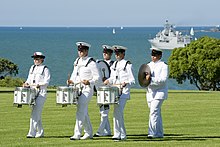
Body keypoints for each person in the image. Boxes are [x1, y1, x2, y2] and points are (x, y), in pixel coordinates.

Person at [67, 41, 101, 140]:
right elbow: (74, 74)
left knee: (80, 110)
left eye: (82, 50)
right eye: (79, 50)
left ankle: (77, 134)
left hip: (87, 89)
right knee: (83, 111)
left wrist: (89, 82)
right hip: (77, 88)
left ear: (86, 51)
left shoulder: (91, 62)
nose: (80, 52)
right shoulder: (77, 61)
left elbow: (97, 77)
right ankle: (89, 132)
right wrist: (71, 81)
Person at [104, 45, 135, 141]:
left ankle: (121, 134)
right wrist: (108, 81)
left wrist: (126, 83)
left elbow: (133, 80)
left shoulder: (127, 65)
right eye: (116, 53)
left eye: (118, 53)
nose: (116, 55)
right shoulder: (114, 65)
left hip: (124, 93)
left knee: (118, 113)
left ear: (123, 54)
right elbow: (113, 78)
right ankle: (118, 134)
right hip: (115, 92)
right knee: (116, 113)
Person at [23, 51, 51, 138]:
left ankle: (31, 133)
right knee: (36, 113)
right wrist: (26, 84)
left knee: (35, 113)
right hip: (32, 93)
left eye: (38, 59)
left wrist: (40, 84)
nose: (36, 60)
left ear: (42, 59)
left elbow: (47, 82)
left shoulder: (45, 69)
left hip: (41, 93)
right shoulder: (32, 68)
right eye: (35, 59)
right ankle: (41, 132)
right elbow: (29, 79)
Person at [145, 47, 168, 138]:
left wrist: (151, 79)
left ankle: (152, 133)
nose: (153, 57)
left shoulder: (163, 65)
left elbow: (163, 80)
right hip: (150, 92)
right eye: (152, 55)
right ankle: (159, 133)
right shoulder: (148, 65)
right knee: (156, 113)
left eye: (155, 55)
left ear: (160, 55)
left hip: (159, 92)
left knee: (153, 112)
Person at [93, 45, 114, 137]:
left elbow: (115, 77)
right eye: (104, 52)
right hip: (100, 90)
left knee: (104, 111)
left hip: (108, 90)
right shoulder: (98, 64)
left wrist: (108, 79)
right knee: (102, 110)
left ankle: (100, 131)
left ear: (110, 54)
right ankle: (108, 131)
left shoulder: (113, 64)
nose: (105, 54)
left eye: (107, 53)